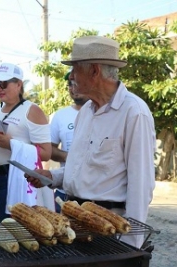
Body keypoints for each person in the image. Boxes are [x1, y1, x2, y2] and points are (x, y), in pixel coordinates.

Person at [26, 36, 156, 248]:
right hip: (72, 221)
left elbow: (141, 185)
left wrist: (130, 246)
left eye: (75, 70)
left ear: (94, 71)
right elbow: (82, 165)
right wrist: (53, 176)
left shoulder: (134, 112)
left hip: (106, 228)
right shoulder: (85, 111)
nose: (71, 77)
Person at [0, 62, 52, 223]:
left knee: (13, 233)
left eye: (4, 84)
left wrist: (11, 144)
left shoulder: (32, 110)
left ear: (19, 84)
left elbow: (47, 153)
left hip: (11, 180)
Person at [50, 71, 89, 212]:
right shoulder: (60, 116)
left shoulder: (102, 113)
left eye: (77, 83)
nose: (74, 88)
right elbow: (50, 149)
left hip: (92, 194)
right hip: (64, 190)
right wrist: (69, 157)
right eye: (70, 85)